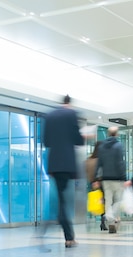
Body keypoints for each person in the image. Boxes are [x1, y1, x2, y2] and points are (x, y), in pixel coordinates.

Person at [43, 94, 85, 248]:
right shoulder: (72, 114)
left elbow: (46, 141)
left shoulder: (49, 115)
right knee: (63, 202)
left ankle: (67, 235)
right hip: (67, 165)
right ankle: (68, 237)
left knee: (61, 200)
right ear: (70, 103)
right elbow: (78, 140)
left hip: (54, 164)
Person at [97, 126, 129, 233]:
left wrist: (97, 178)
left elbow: (99, 162)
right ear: (117, 134)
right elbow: (121, 162)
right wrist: (124, 177)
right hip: (117, 178)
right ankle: (110, 216)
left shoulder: (101, 146)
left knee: (108, 201)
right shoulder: (119, 146)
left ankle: (110, 221)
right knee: (118, 201)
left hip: (105, 178)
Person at [85, 141, 106, 231]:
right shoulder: (101, 160)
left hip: (91, 183)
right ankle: (103, 221)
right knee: (104, 202)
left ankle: (93, 219)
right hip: (101, 182)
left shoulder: (88, 160)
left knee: (97, 201)